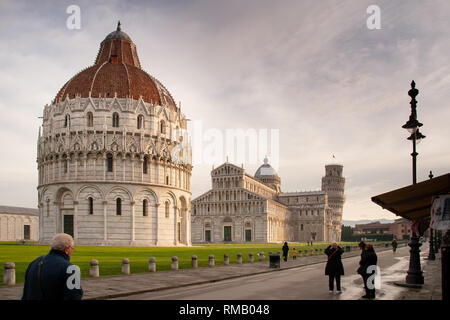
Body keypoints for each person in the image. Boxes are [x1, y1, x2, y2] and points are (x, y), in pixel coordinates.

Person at [22, 233, 83, 300]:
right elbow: (74, 297)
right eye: (72, 249)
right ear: (67, 249)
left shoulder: (34, 263)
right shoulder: (71, 269)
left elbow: (25, 294)